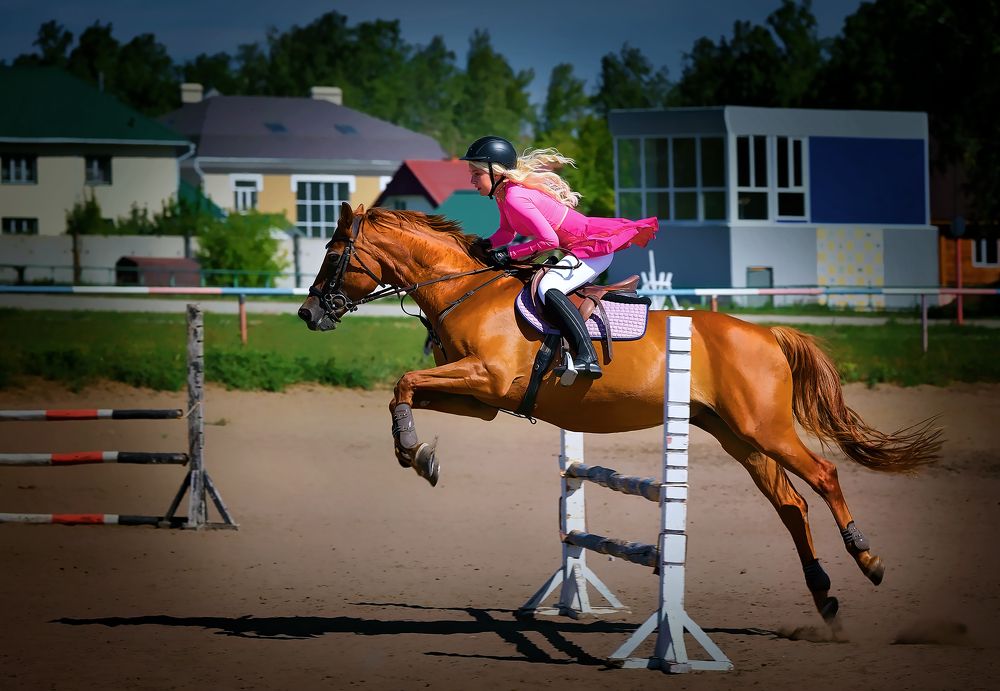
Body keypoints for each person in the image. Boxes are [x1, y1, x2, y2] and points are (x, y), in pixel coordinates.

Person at [461, 135, 658, 380]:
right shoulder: (504, 195)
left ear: (496, 172)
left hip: (591, 249)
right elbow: (506, 232)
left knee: (548, 286)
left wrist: (509, 253)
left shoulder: (514, 197)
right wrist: (485, 245)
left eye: (476, 174)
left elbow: (549, 241)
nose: (472, 180)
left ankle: (588, 356)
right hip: (577, 248)